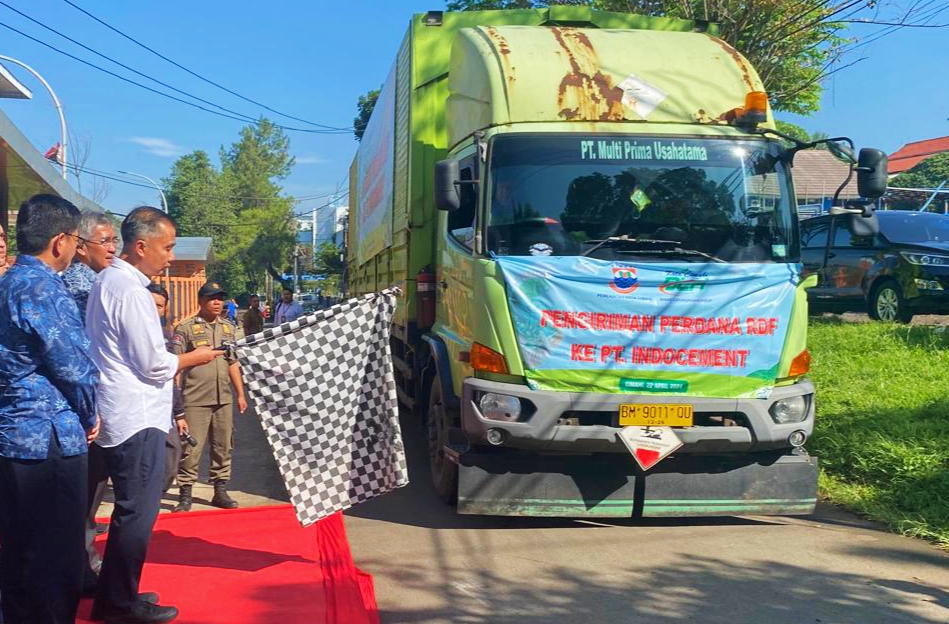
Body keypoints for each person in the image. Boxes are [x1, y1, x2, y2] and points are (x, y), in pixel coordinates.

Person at [86, 206, 223, 624]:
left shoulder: (108, 281)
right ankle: (119, 606)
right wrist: (194, 357)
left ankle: (114, 596)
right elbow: (153, 364)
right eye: (167, 247)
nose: (169, 256)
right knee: (136, 515)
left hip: (115, 410)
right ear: (141, 246)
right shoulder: (130, 291)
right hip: (136, 416)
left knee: (129, 512)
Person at [0, 194, 99, 624]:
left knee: (18, 550)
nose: (77, 250)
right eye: (78, 241)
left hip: (12, 435)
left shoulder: (7, 282)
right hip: (49, 441)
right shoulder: (44, 288)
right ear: (60, 240)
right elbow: (75, 368)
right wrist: (91, 413)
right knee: (56, 559)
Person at [61, 211, 118, 593]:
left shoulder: (95, 280)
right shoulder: (84, 286)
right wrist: (89, 411)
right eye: (105, 241)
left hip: (88, 405)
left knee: (89, 496)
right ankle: (81, 571)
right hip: (85, 407)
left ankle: (82, 565)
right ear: (80, 246)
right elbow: (82, 358)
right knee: (84, 497)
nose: (113, 248)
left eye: (115, 240)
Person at [172, 282, 247, 512]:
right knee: (190, 449)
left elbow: (232, 362)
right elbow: (175, 367)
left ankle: (220, 490)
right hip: (195, 399)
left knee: (223, 446)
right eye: (212, 298)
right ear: (200, 301)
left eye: (220, 298)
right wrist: (176, 404)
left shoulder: (228, 328)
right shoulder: (185, 329)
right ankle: (185, 493)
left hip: (223, 398)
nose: (217, 302)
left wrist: (240, 394)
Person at [146, 283, 189, 493]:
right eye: (151, 304)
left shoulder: (166, 333)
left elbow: (170, 376)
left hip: (164, 406)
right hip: (140, 408)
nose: (156, 309)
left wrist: (179, 413)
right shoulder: (132, 331)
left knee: (172, 454)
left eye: (160, 306)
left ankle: (154, 495)